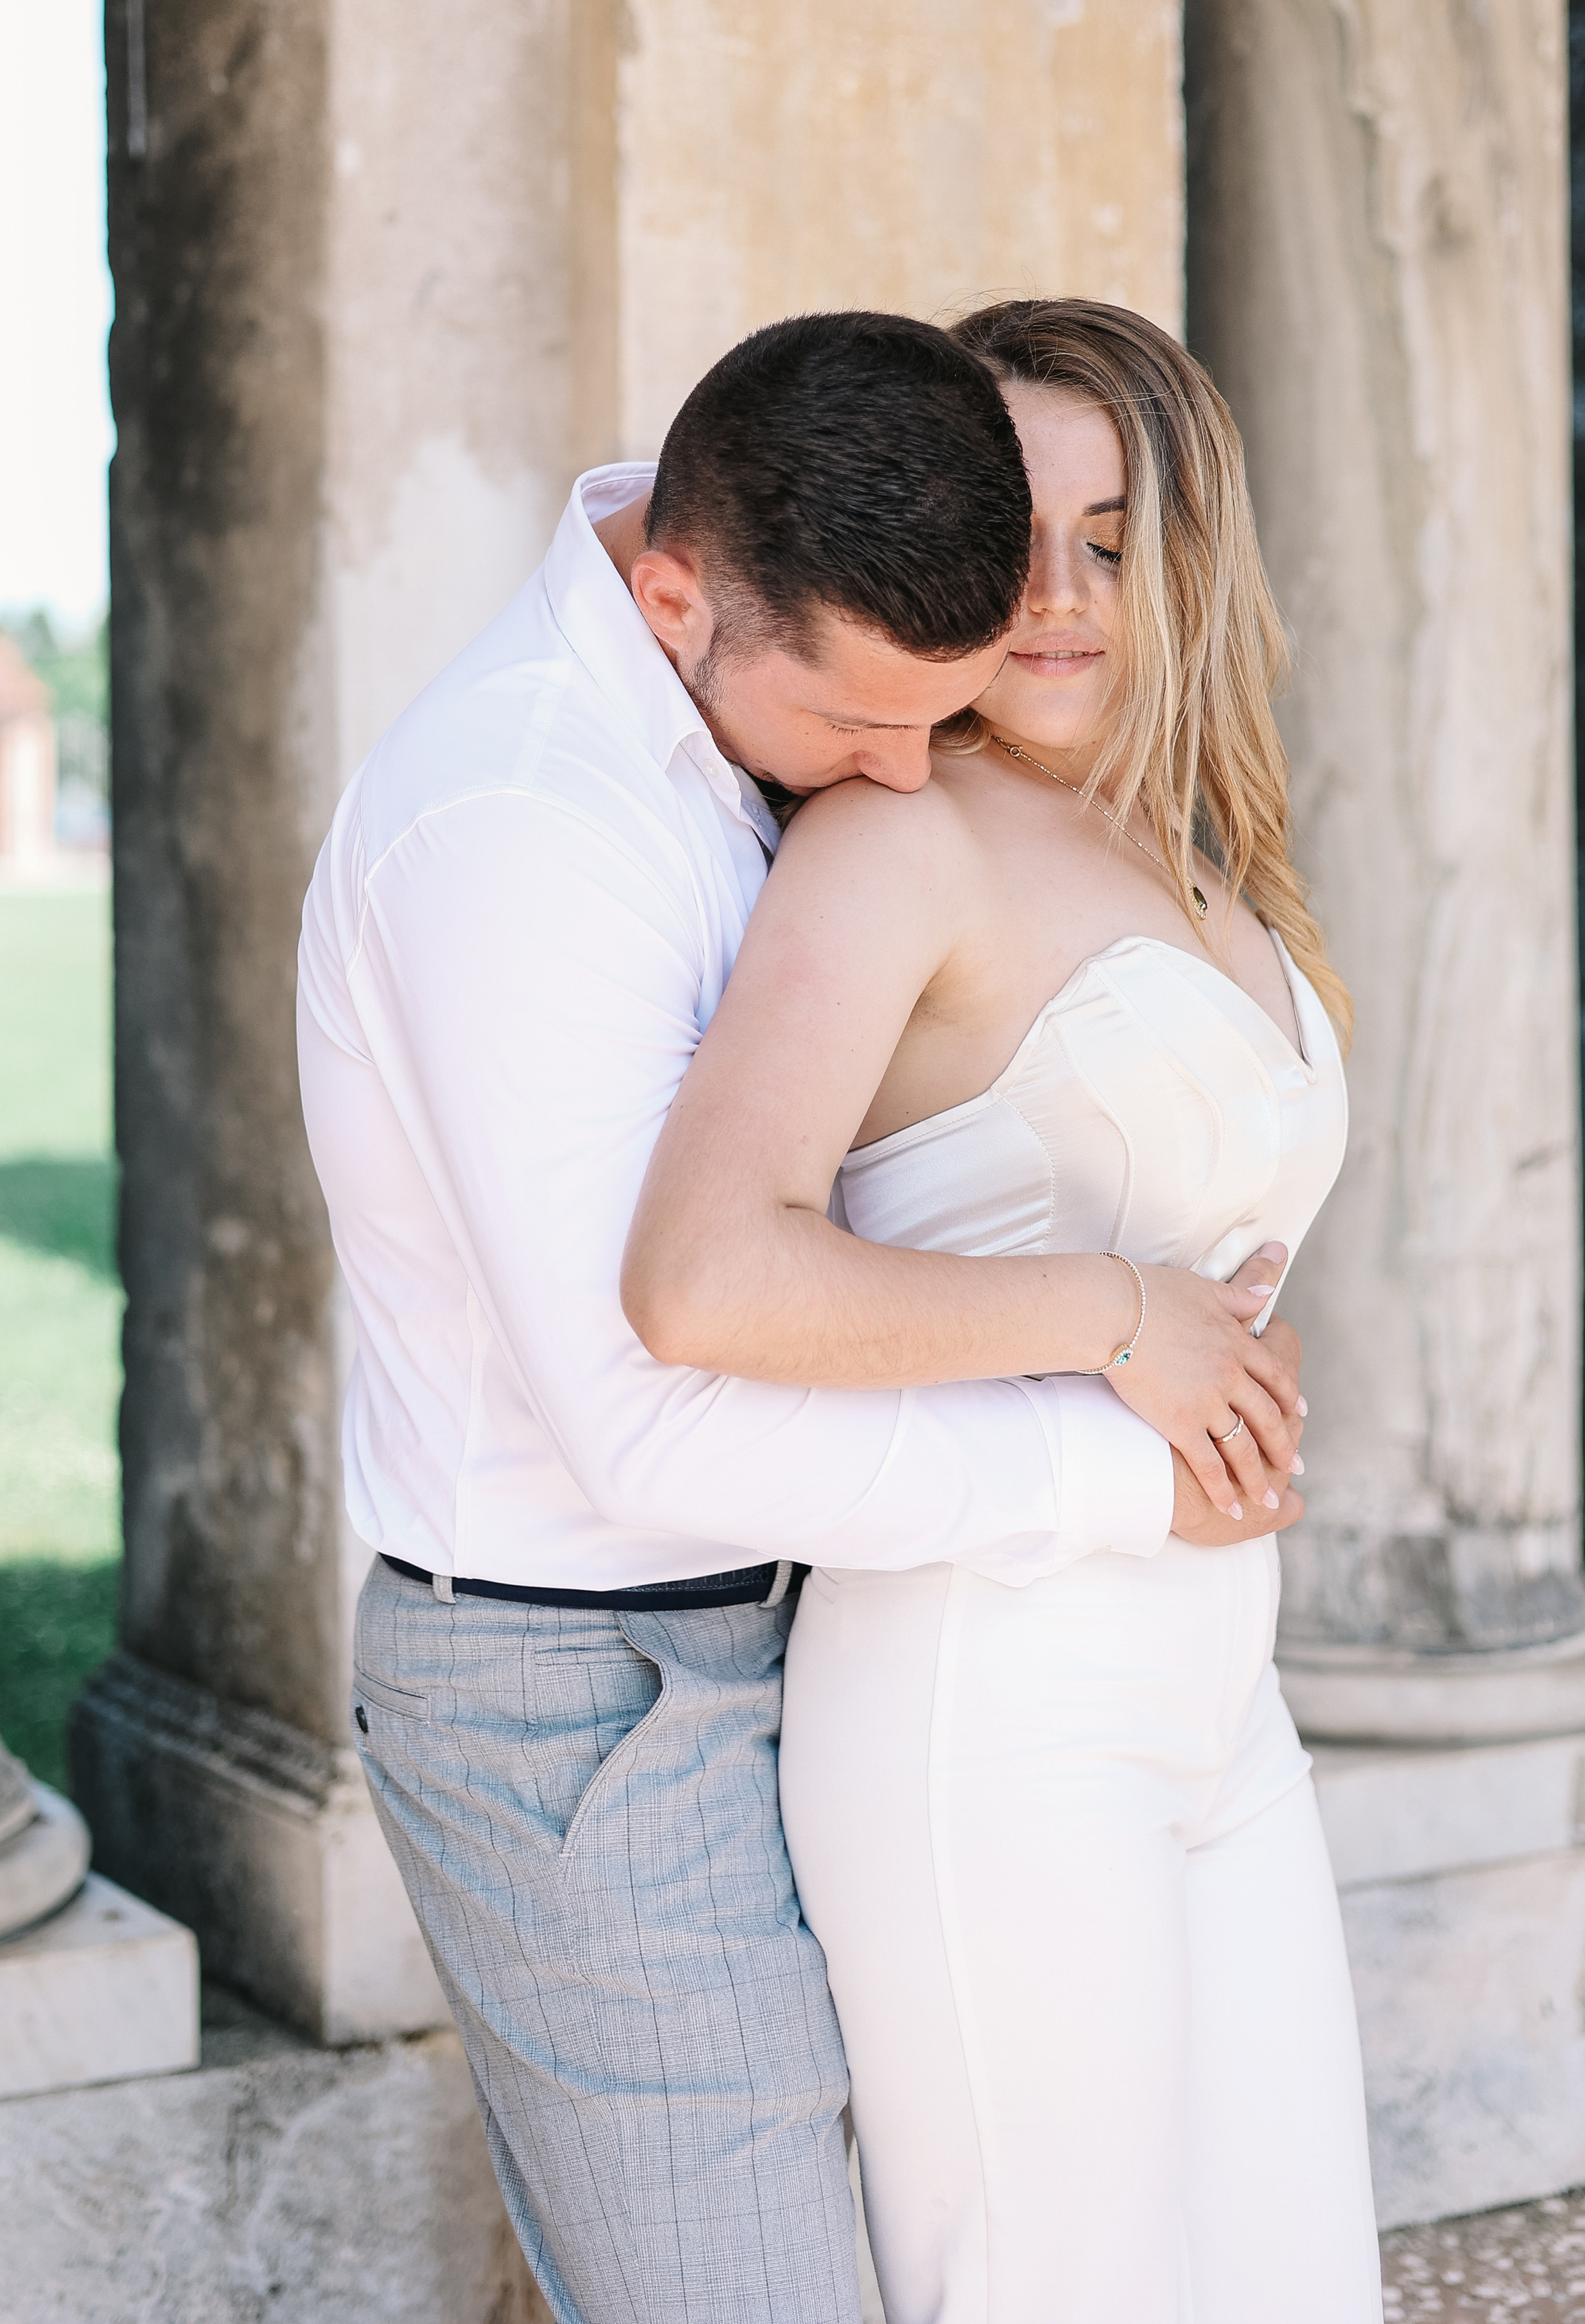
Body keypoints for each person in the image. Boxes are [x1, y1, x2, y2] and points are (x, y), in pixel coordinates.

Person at [297, 310, 1310, 2324]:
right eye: (859, 726)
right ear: (675, 602)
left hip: (799, 1623)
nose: (902, 772)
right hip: (582, 1684)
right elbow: (653, 1411)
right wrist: (1127, 1419)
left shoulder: (766, 656)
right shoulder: (518, 831)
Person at [625, 298, 1383, 2323]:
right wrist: (1123, 1314)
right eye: (1013, 539)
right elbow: (704, 1269)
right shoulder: (900, 839)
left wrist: (1217, 1342)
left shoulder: (1201, 850)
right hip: (991, 1695)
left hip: (1221, 1683)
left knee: (1298, 2278)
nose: (1053, 597)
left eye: (1112, 544)